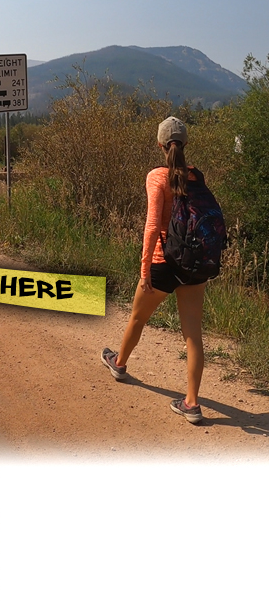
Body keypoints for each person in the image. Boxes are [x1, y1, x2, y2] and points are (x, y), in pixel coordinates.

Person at [101, 116, 207, 424]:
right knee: (193, 335)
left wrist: (145, 269)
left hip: (164, 261)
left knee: (138, 317)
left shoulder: (156, 176)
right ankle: (192, 403)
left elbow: (151, 227)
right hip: (194, 263)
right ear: (186, 144)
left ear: (159, 145)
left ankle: (119, 364)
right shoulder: (197, 176)